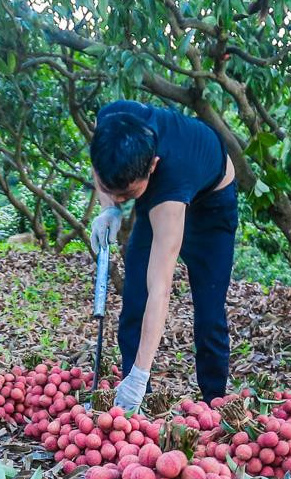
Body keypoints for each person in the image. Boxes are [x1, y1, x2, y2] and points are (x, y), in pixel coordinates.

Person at [88, 100, 238, 410]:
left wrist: (142, 374)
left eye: (126, 194)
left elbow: (161, 288)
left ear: (152, 166)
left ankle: (215, 405)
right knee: (134, 301)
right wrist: (108, 208)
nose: (118, 198)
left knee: (209, 314)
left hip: (212, 202)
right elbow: (98, 163)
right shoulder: (111, 122)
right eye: (110, 187)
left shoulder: (168, 189)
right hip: (161, 184)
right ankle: (136, 407)